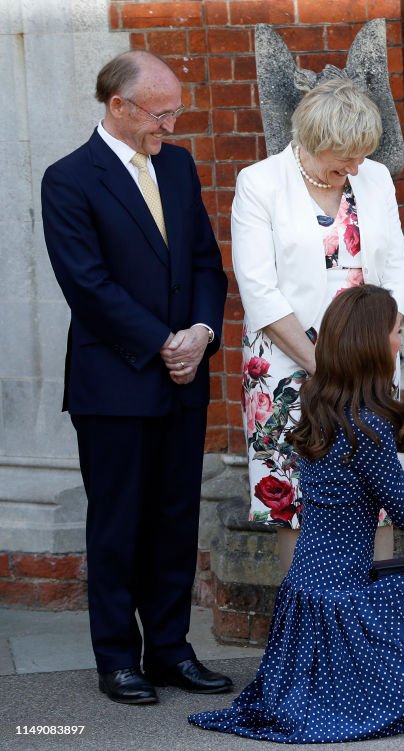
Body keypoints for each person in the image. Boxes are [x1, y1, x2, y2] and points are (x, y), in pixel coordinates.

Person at [189, 284, 404, 743]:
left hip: (309, 599)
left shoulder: (324, 404)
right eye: (395, 330)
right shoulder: (366, 424)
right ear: (371, 342)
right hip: (348, 603)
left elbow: (365, 484)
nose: (400, 338)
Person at [40, 50, 230, 704]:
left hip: (185, 376)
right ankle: (118, 658)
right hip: (115, 382)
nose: (170, 125)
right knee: (119, 522)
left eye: (174, 111)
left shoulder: (177, 166)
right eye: (160, 113)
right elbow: (87, 285)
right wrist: (161, 342)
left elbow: (206, 263)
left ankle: (171, 650)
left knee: (177, 517)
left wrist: (201, 335)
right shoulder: (68, 179)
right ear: (118, 106)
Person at [231, 77, 404, 572]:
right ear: (312, 142)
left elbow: (397, 267)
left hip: (371, 361)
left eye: (360, 156)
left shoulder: (374, 178)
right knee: (292, 498)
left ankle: (376, 626)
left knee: (377, 494)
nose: (355, 168)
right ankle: (305, 628)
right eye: (344, 158)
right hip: (288, 366)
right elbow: (258, 288)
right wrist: (327, 367)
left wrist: (382, 347)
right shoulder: (260, 183)